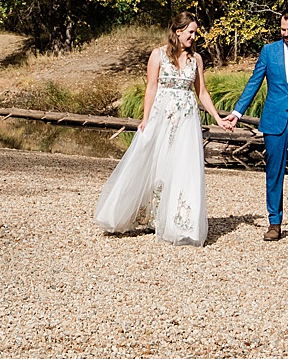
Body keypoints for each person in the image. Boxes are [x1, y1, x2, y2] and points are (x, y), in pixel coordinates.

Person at [93, 14, 231, 246]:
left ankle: (178, 223)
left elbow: (202, 93)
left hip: (186, 120)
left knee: (182, 167)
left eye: (195, 32)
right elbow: (151, 87)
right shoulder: (158, 55)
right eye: (190, 32)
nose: (193, 37)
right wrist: (145, 119)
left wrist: (217, 117)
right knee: (153, 162)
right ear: (178, 31)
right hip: (162, 116)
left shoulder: (196, 59)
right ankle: (148, 215)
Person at [225, 8, 288, 247]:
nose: (286, 34)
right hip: (274, 123)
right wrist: (237, 113)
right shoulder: (268, 52)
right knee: (274, 173)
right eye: (283, 30)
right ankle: (274, 223)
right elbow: (254, 83)